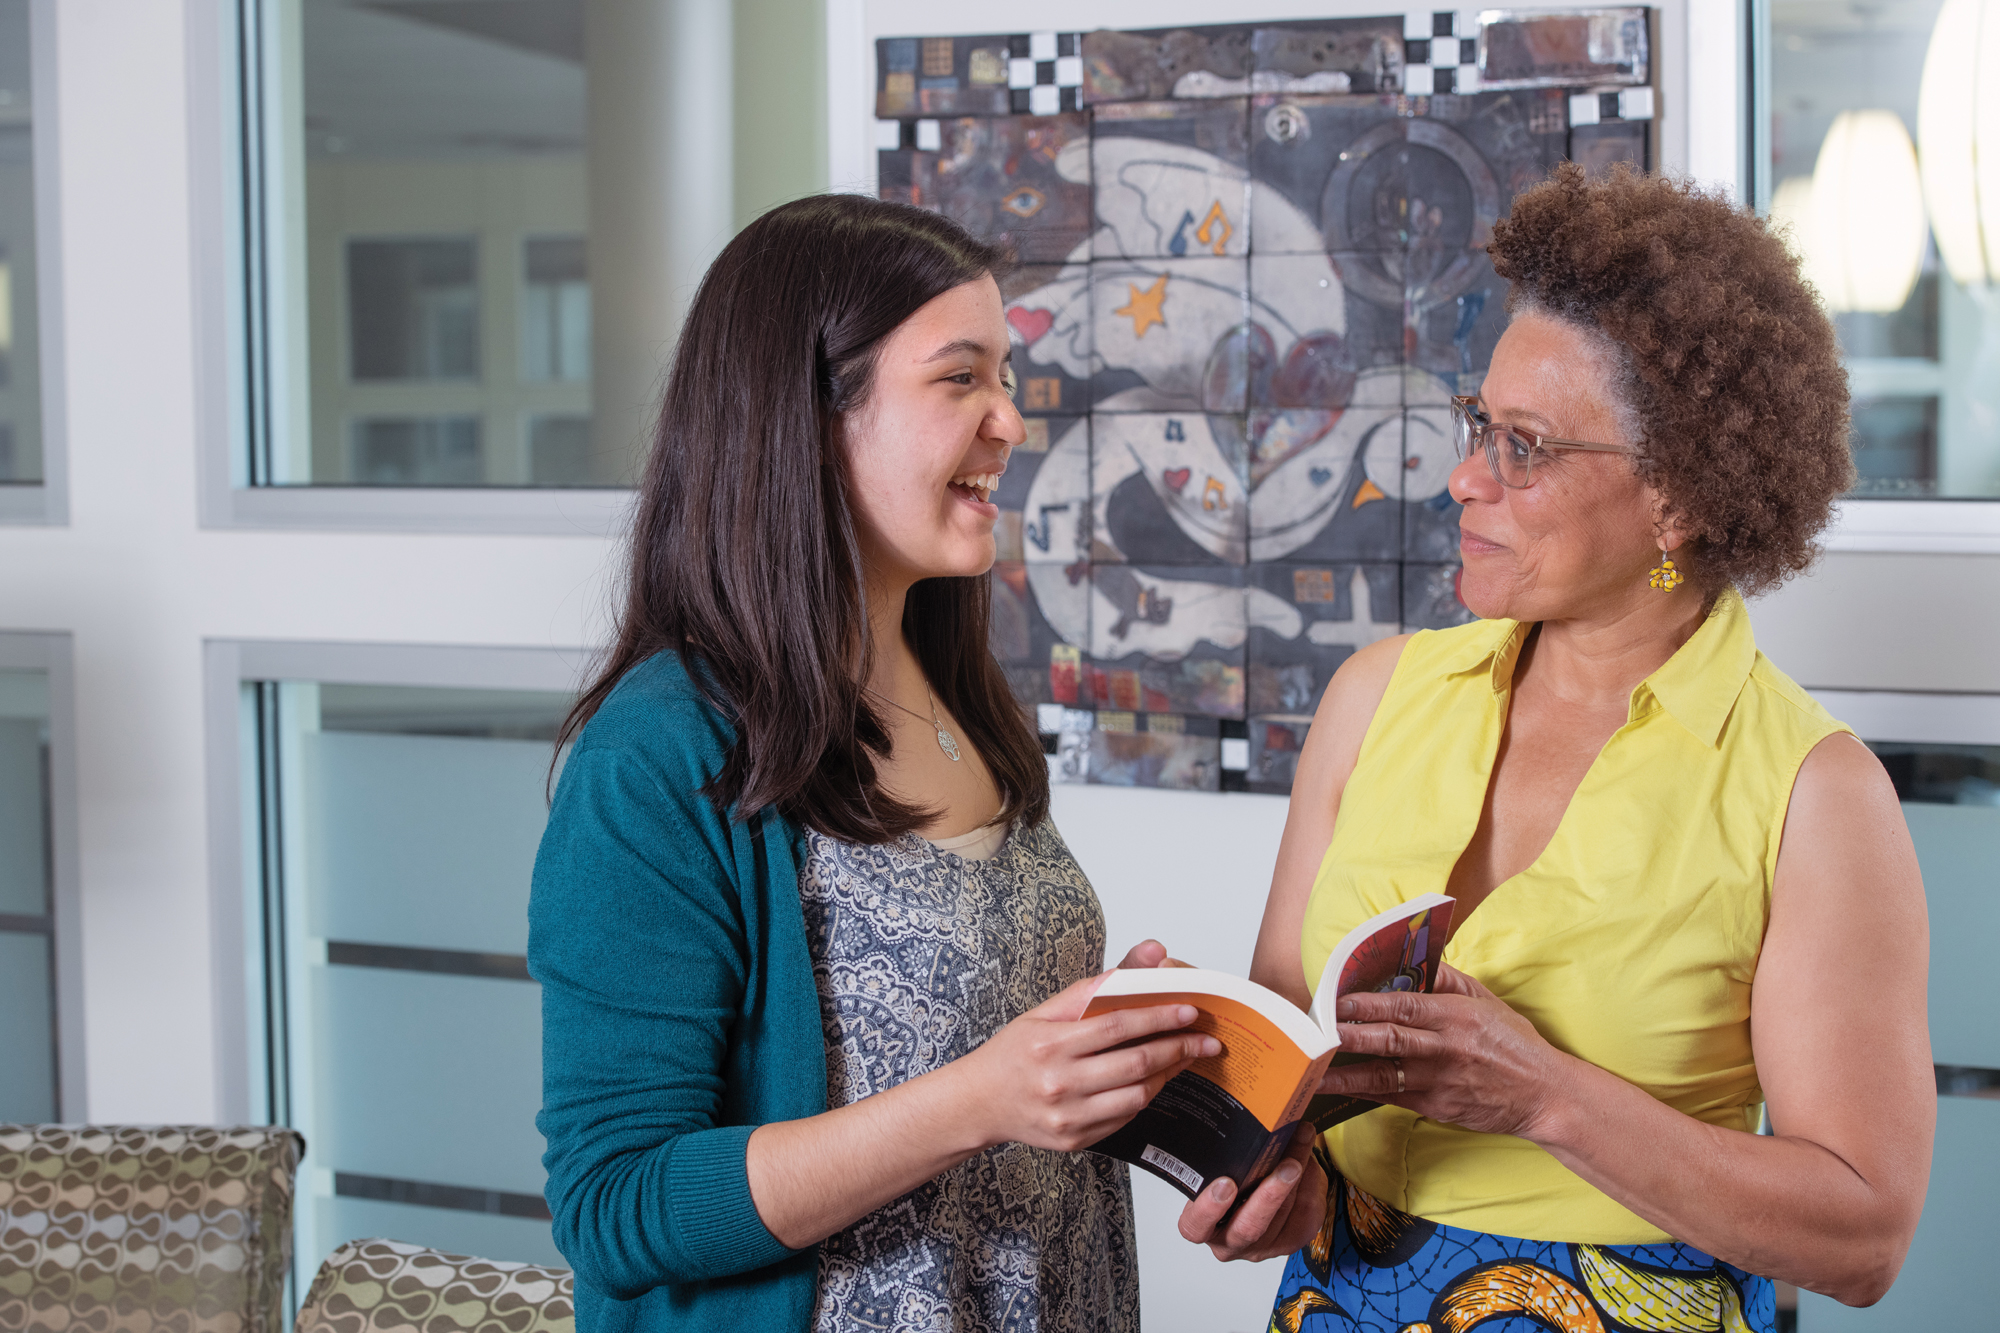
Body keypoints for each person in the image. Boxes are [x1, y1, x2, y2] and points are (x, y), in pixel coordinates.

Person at [1174, 164, 1935, 1331]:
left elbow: (1862, 1235)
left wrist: (1543, 1100)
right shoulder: (1373, 698)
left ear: (1675, 497)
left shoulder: (1811, 793)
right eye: (1476, 423)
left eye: (1522, 446)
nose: (1462, 477)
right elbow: (1288, 1075)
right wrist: (1241, 1150)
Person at [528, 195, 1221, 1333]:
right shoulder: (655, 758)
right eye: (960, 379)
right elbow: (613, 1205)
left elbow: (995, 1076)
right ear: (804, 417)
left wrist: (1113, 1050)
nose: (1007, 421)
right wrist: (982, 1096)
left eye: (1004, 377)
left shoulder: (950, 685)